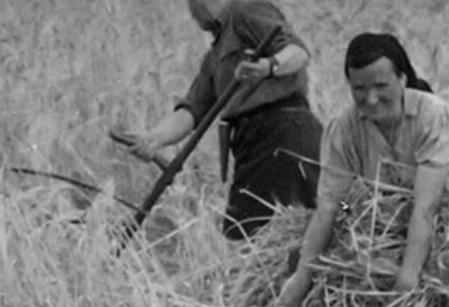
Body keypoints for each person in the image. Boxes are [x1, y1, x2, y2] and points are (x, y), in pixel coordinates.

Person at [275, 33, 449, 307]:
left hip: (437, 220)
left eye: (381, 86)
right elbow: (330, 204)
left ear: (402, 79)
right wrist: (303, 276)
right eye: (359, 88)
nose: (371, 98)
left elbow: (426, 207)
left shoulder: (433, 117)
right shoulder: (343, 129)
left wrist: (407, 277)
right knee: (332, 224)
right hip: (369, 218)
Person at [123, 0, 322, 240]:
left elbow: (298, 53)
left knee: (316, 209)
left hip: (284, 133)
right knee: (256, 230)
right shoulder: (213, 58)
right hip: (253, 146)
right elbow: (190, 113)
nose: (190, 12)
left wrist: (269, 66)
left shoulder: (247, 11)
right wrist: (153, 139)